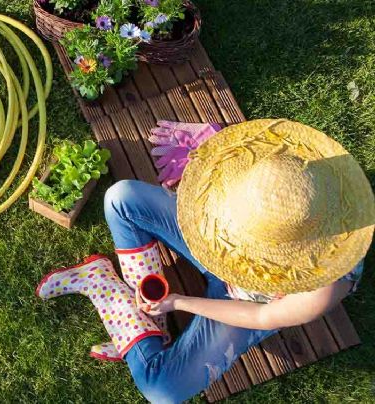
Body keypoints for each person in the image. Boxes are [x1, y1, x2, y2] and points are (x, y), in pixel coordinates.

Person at [36, 119, 375, 403]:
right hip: (219, 241)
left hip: (241, 301)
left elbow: (262, 314)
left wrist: (181, 302)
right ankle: (151, 327)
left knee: (161, 390)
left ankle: (103, 288)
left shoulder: (324, 285)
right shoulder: (290, 178)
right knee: (121, 198)